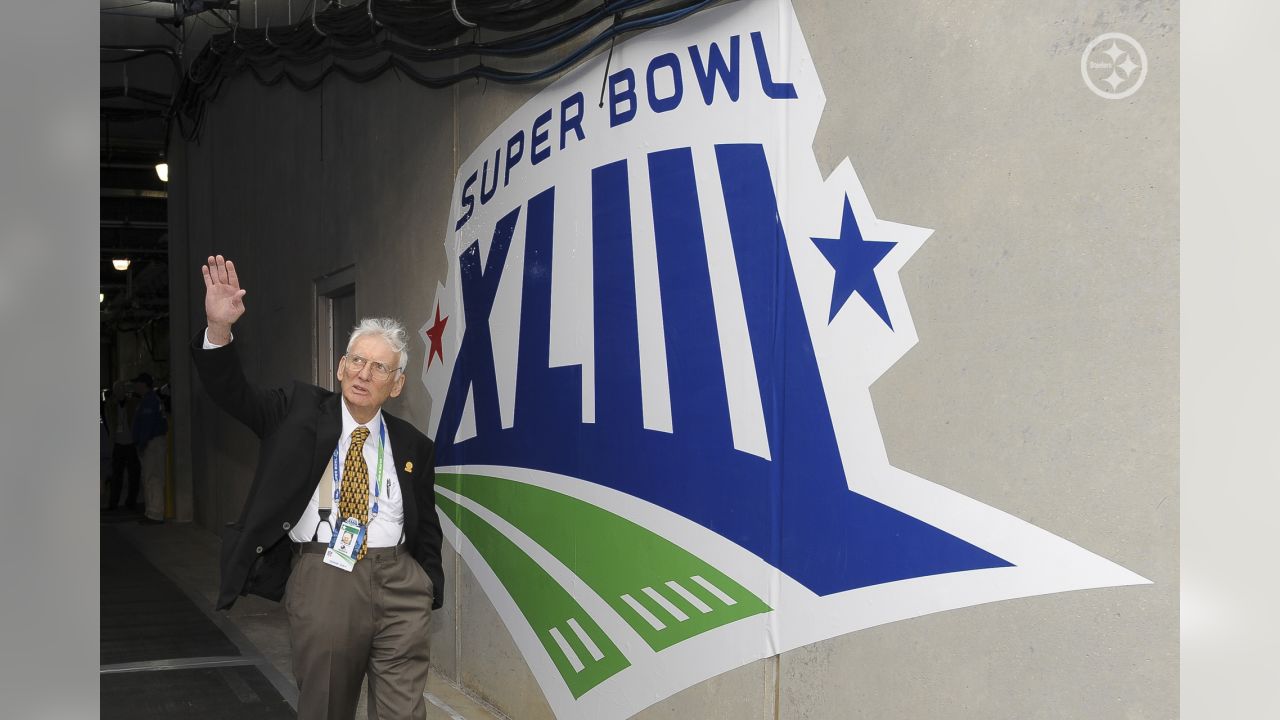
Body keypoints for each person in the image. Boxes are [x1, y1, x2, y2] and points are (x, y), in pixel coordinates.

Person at [191, 255, 444, 720]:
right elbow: (234, 394)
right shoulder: (296, 411)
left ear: (397, 383)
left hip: (400, 581)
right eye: (357, 361)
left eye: (379, 368)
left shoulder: (414, 445)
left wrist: (426, 582)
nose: (365, 373)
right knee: (326, 706)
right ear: (341, 367)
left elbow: (425, 523)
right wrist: (218, 331)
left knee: (405, 713)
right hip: (327, 574)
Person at [132, 372, 168, 524]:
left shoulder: (149, 401)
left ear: (143, 384)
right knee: (151, 477)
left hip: (151, 443)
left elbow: (146, 425)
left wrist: (142, 443)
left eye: (137, 383)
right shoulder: (151, 400)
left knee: (153, 478)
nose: (135, 386)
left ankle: (155, 513)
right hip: (153, 442)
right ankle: (151, 512)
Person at [103, 379, 141, 511]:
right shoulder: (110, 405)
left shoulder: (133, 403)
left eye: (122, 389)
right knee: (116, 476)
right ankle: (113, 503)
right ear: (114, 391)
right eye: (117, 389)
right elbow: (109, 421)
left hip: (131, 443)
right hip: (118, 444)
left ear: (125, 390)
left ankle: (131, 501)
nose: (120, 391)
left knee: (134, 474)